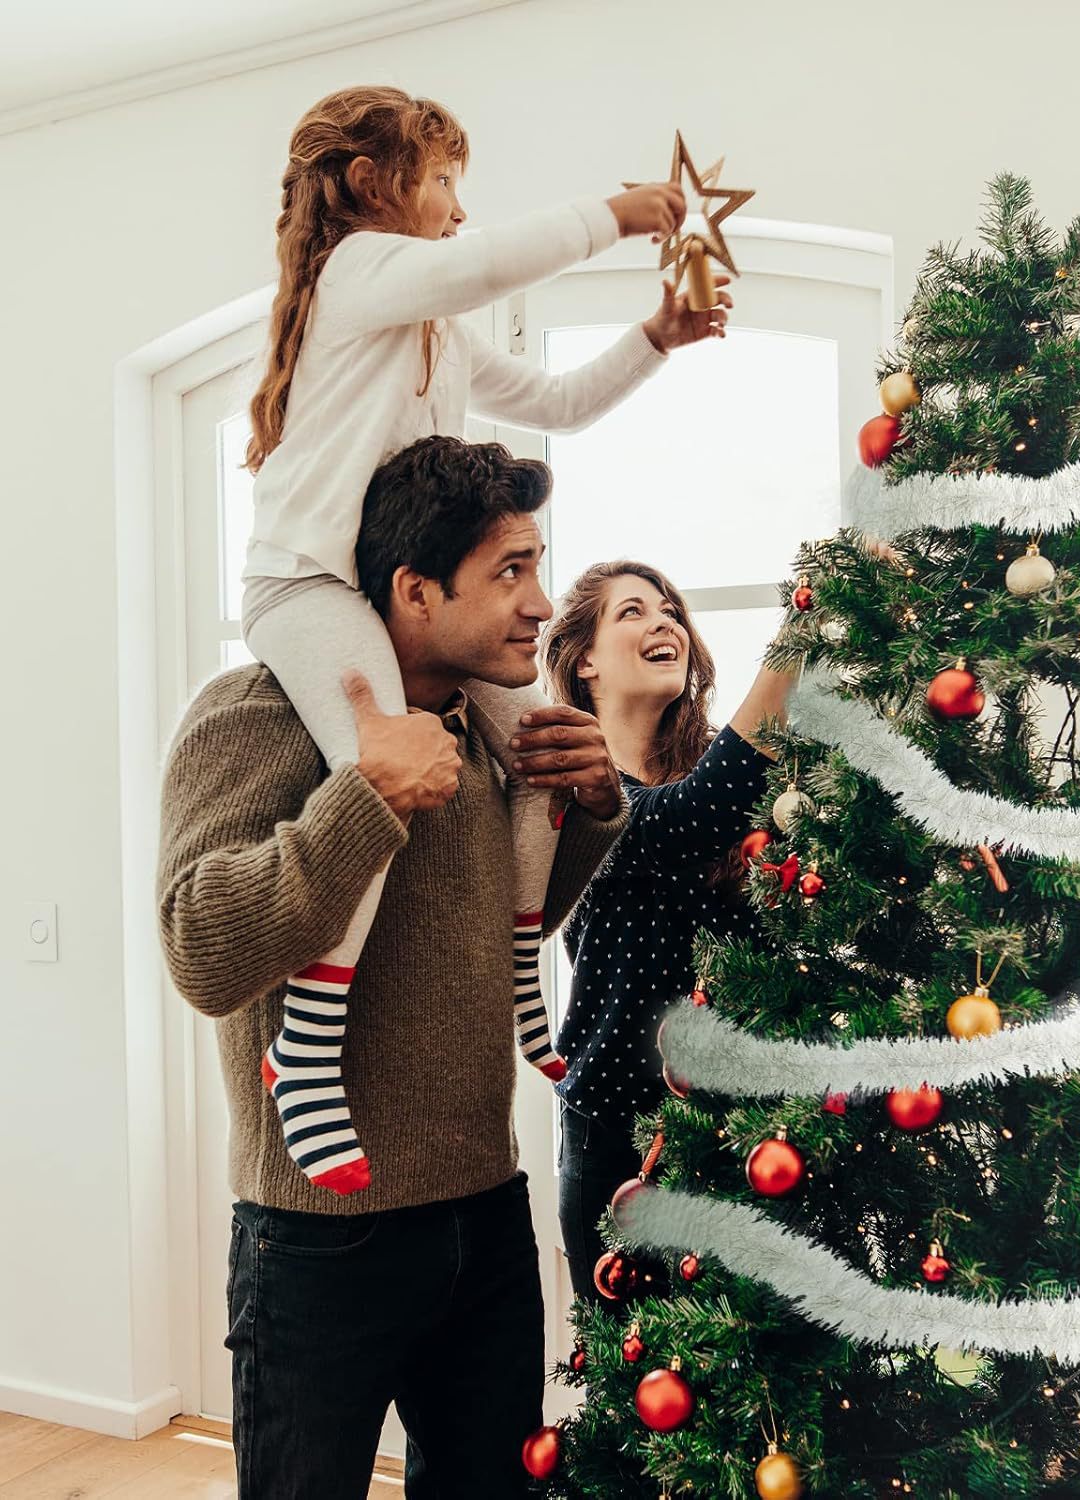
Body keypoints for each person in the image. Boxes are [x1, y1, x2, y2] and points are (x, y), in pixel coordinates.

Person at [240, 84, 731, 1194]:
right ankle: (307, 1041)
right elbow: (479, 265)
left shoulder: (437, 333)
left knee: (542, 750)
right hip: (309, 588)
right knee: (393, 767)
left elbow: (557, 401)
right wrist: (619, 212)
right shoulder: (357, 272)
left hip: (382, 593)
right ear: (376, 186)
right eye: (446, 181)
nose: (461, 208)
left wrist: (655, 336)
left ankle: (524, 986)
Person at [158, 436, 624, 1498]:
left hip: (488, 1211)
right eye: (510, 572)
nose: (541, 604)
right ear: (415, 591)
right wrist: (366, 797)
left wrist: (593, 810)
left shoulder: (483, 733)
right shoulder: (253, 714)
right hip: (320, 1243)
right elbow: (200, 949)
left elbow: (485, 931)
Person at [537, 561, 793, 1297]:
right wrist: (803, 634)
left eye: (672, 611)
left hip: (750, 1130)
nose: (664, 624)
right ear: (584, 660)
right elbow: (688, 817)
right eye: (633, 612)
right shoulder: (573, 792)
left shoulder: (743, 779)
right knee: (638, 1386)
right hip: (618, 1137)